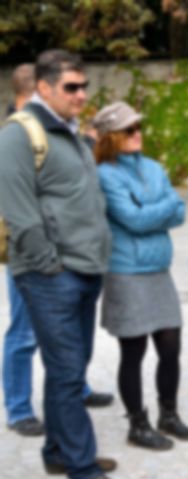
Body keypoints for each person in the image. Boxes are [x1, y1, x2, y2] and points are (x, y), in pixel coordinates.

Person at [0, 50, 116, 479]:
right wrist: (51, 266)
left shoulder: (70, 132)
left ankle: (57, 451)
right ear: (44, 88)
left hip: (85, 270)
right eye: (72, 87)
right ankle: (81, 467)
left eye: (84, 86)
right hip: (52, 275)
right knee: (67, 372)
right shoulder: (19, 134)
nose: (81, 94)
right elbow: (19, 210)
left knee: (71, 366)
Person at [92, 101, 188, 451]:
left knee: (171, 346)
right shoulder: (105, 174)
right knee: (133, 351)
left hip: (157, 270)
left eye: (138, 127)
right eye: (128, 129)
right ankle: (137, 424)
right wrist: (161, 209)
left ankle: (168, 414)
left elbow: (179, 211)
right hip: (126, 272)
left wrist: (152, 211)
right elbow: (132, 219)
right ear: (111, 136)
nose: (137, 134)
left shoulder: (153, 167)